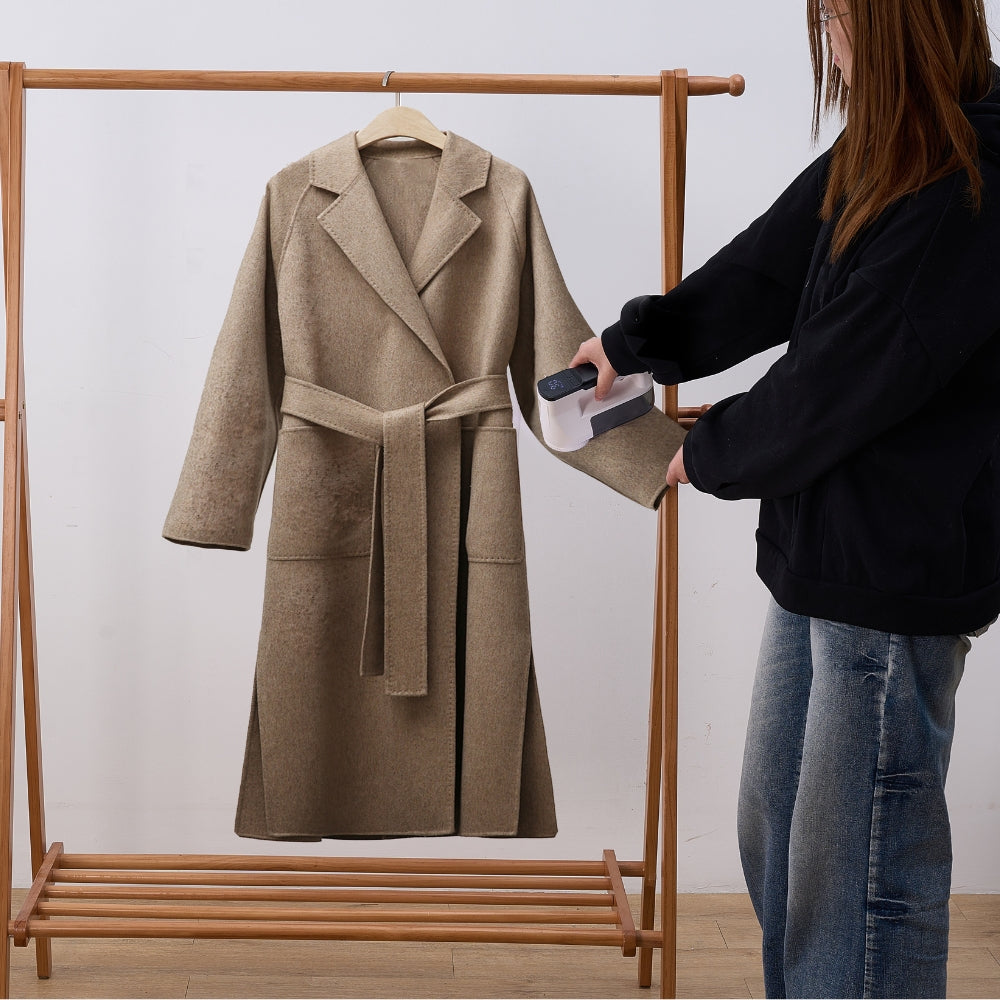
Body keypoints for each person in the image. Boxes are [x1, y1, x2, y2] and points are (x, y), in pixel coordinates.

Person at [572, 1, 1000, 996]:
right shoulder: (894, 147)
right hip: (822, 556)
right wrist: (637, 346)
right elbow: (769, 269)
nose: (829, 44)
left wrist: (706, 452)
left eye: (840, 20)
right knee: (776, 839)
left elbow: (838, 380)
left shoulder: (967, 187)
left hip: (893, 580)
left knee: (859, 879)